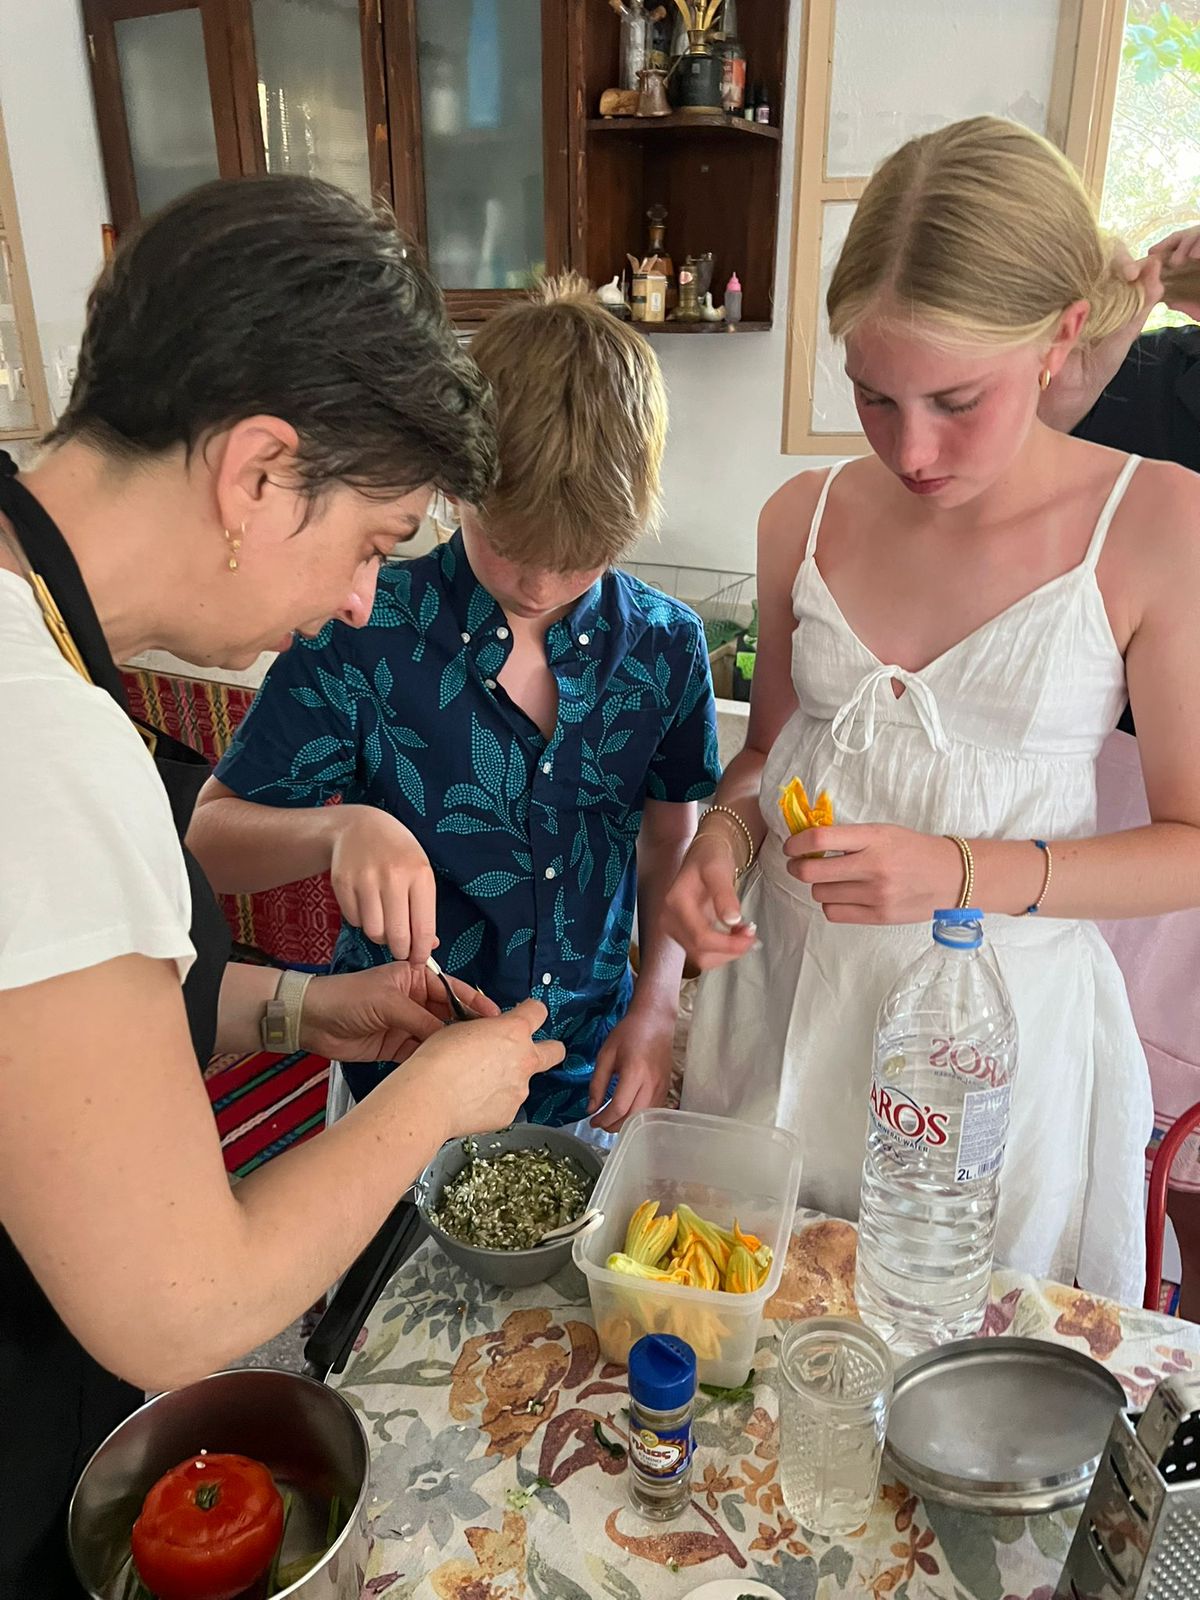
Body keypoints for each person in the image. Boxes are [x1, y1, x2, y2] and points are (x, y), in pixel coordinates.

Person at [0, 176, 563, 1598]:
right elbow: (184, 1310)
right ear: (257, 473)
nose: (367, 599)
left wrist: (307, 1010)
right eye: (372, 541)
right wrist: (440, 1099)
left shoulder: (38, 631)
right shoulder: (37, 734)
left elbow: (51, 1030)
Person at [663, 117, 1200, 1309]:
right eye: (872, 396)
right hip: (788, 1006)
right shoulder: (801, 516)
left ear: (1062, 336)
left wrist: (957, 868)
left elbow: (1189, 848)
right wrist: (722, 839)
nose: (913, 449)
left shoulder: (1154, 523)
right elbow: (767, 755)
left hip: (986, 1050)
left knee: (948, 1368)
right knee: (747, 1345)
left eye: (958, 400)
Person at [188, 276, 720, 1137]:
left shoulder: (665, 648)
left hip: (589, 1071)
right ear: (456, 486)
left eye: (582, 557)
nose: (542, 585)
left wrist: (657, 1004)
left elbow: (669, 836)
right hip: (399, 1070)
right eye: (512, 548)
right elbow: (207, 842)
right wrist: (337, 829)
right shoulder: (358, 628)